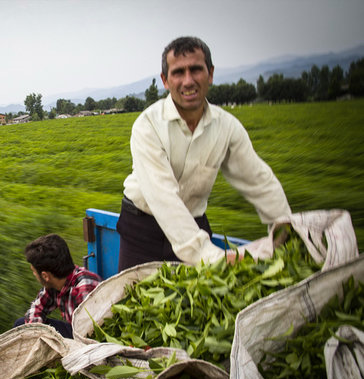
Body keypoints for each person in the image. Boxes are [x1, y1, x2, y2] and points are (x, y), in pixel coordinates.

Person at [117, 36, 291, 271]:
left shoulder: (226, 126)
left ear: (210, 73)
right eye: (178, 72)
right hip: (142, 229)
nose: (188, 81)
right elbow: (164, 199)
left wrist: (285, 227)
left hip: (193, 222)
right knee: (134, 300)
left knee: (198, 304)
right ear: (165, 80)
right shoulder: (147, 125)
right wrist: (211, 257)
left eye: (196, 70)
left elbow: (259, 180)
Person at [14, 234, 102, 338]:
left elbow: (92, 335)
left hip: (90, 336)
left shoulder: (83, 290)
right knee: (21, 324)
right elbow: (37, 308)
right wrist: (34, 334)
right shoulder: (55, 282)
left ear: (45, 276)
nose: (34, 275)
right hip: (75, 330)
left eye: (34, 271)